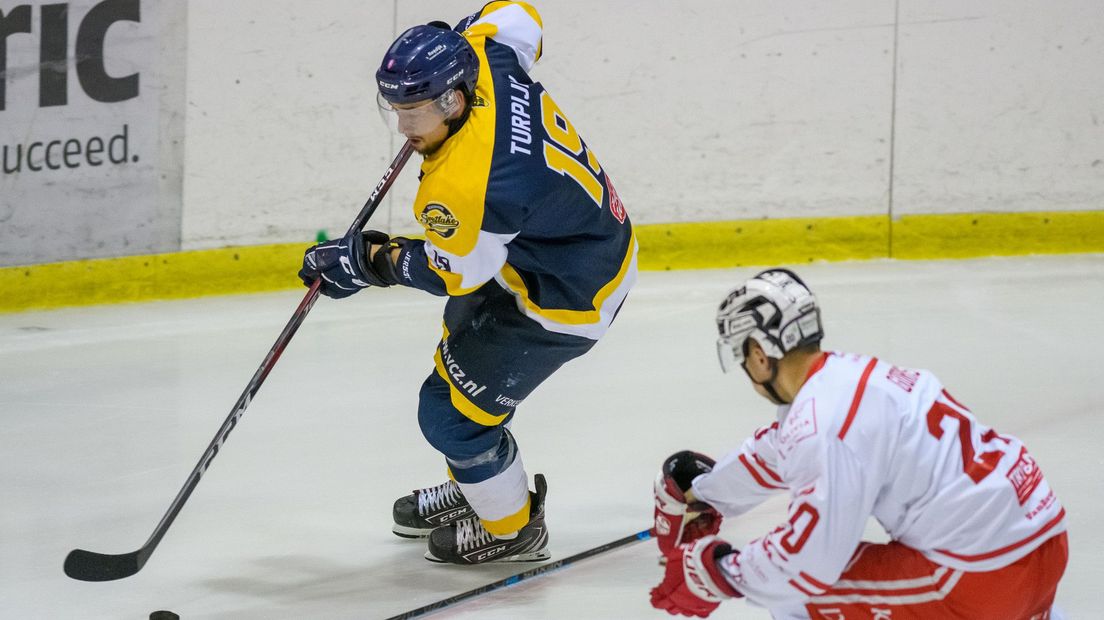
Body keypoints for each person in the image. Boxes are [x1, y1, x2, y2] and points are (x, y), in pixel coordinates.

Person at [298, 2, 636, 565]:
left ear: (453, 99)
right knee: (462, 356)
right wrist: (458, 34)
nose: (404, 127)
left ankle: (513, 529)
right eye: (396, 107)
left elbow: (458, 272)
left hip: (569, 292)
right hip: (556, 246)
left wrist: (372, 262)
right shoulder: (486, 52)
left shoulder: (464, 184)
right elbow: (516, 13)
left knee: (449, 413)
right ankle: (483, 478)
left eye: (416, 111)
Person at [649, 269, 1067, 619]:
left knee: (795, 594)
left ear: (760, 354)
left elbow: (808, 563)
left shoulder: (822, 423)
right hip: (1043, 539)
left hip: (982, 576)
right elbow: (780, 450)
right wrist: (704, 493)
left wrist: (719, 572)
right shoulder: (849, 378)